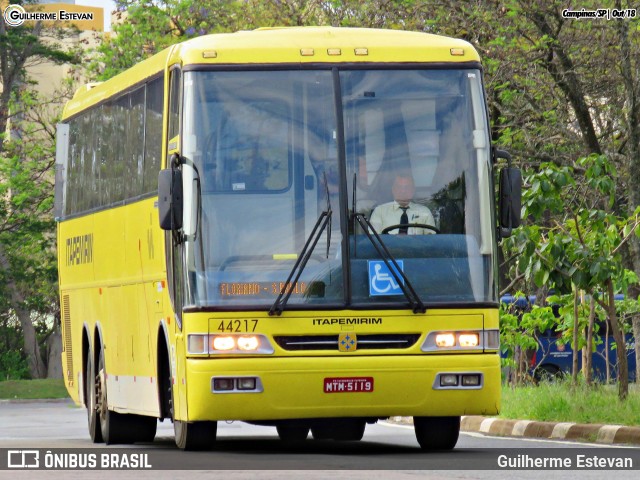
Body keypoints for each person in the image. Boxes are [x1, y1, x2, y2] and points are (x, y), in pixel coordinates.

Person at [369, 175, 435, 235]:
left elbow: (431, 241)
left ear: (413, 190)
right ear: (393, 190)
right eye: (399, 187)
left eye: (407, 187)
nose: (403, 191)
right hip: (386, 248)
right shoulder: (379, 211)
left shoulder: (424, 212)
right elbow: (373, 240)